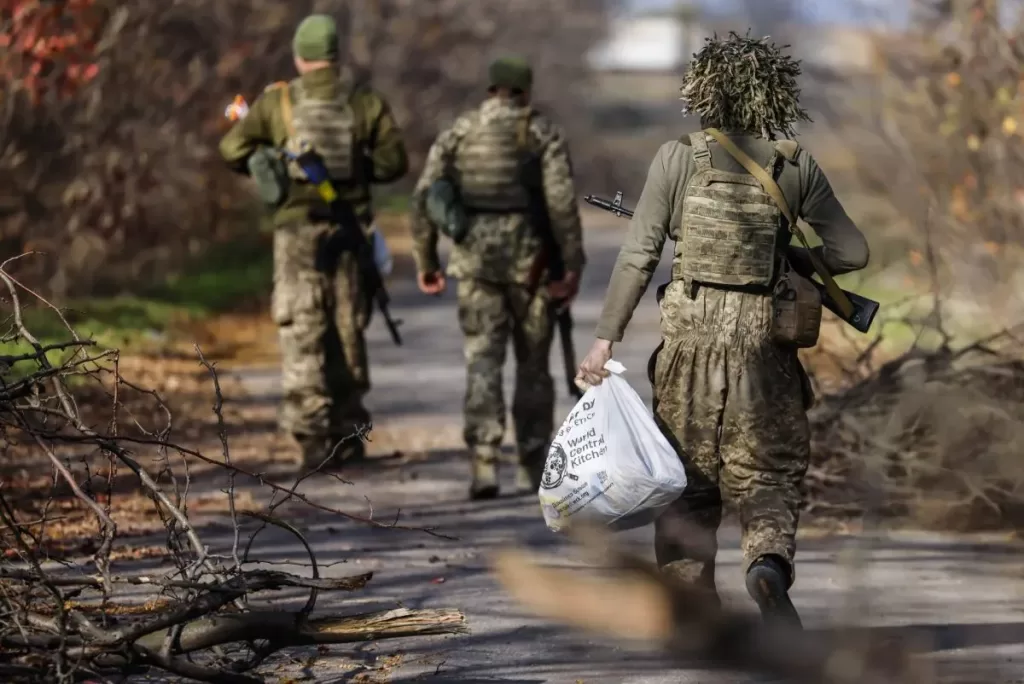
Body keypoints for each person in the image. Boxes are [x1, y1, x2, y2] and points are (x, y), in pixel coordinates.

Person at [575, 32, 869, 628]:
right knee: (768, 473)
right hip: (766, 347)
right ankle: (765, 563)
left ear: (705, 90)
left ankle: (691, 612)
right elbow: (853, 252)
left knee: (686, 480)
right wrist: (788, 259)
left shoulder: (677, 157)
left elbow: (638, 256)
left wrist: (605, 340)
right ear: (774, 94)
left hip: (689, 346)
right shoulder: (795, 163)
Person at [219, 14, 409, 470]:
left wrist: (268, 161)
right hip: (351, 234)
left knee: (302, 330)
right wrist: (356, 166)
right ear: (335, 56)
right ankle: (350, 433)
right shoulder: (364, 102)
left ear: (300, 57)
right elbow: (393, 164)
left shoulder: (276, 103)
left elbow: (232, 150)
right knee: (347, 331)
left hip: (297, 235)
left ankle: (310, 439)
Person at [409, 56, 585, 500]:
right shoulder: (541, 131)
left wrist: (426, 259)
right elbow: (562, 204)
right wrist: (571, 265)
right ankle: (530, 465)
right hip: (532, 266)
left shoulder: (459, 131)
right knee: (533, 365)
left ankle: (484, 464)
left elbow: (425, 196)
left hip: (475, 264)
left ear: (491, 89)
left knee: (482, 360)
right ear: (525, 90)